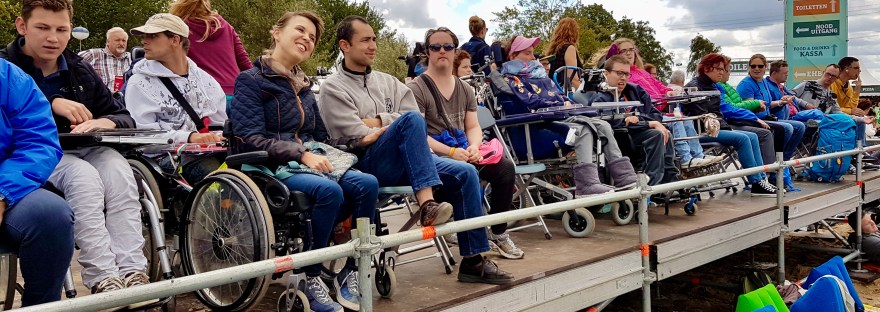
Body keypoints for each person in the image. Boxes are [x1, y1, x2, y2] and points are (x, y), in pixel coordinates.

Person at [318, 16, 513, 285]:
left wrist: (378, 121)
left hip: (411, 159)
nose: (373, 45)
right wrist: (394, 122)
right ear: (345, 45)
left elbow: (413, 120)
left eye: (374, 39)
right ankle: (427, 206)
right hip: (366, 164)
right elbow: (355, 132)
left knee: (466, 172)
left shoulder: (388, 82)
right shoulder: (332, 87)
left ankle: (473, 261)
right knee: (409, 121)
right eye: (365, 40)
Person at [2, 0, 154, 297]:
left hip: (87, 148)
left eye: (61, 30)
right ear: (22, 26)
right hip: (35, 155)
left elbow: (122, 114)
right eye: (42, 28)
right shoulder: (8, 70)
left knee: (121, 174)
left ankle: (133, 270)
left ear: (71, 30)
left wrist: (105, 121)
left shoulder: (79, 68)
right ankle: (102, 275)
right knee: (84, 179)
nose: (53, 38)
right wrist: (52, 103)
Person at [231, 11, 379, 311]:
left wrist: (356, 143)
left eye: (312, 37)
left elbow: (321, 137)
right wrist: (300, 153)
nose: (306, 39)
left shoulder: (305, 87)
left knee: (368, 183)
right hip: (270, 165)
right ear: (277, 33)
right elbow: (249, 138)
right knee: (329, 191)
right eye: (300, 30)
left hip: (309, 159)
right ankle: (310, 276)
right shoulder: (251, 80)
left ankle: (352, 269)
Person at [408, 27, 524, 259]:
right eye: (435, 47)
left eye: (448, 46)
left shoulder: (465, 88)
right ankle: (465, 237)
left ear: (455, 50)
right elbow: (417, 136)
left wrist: (473, 147)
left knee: (505, 168)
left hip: (461, 150)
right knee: (464, 172)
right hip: (434, 157)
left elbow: (472, 126)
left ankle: (499, 232)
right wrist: (451, 152)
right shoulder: (416, 88)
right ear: (427, 52)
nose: (442, 51)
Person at [498, 35, 638, 196]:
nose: (532, 57)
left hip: (557, 119)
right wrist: (559, 104)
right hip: (534, 130)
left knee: (603, 126)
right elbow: (530, 102)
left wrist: (568, 103)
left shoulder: (540, 76)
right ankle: (587, 184)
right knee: (583, 130)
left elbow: (562, 97)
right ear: (512, 56)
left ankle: (623, 176)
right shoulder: (511, 79)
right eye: (527, 53)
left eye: (532, 53)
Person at [0, 58, 74, 307]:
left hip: (7, 183)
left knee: (51, 214)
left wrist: (2, 193)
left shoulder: (9, 77)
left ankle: (40, 306)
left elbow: (38, 141)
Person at [125, 13, 227, 183]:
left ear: (175, 40)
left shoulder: (206, 80)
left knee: (248, 167)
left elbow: (219, 124)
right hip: (164, 158)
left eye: (153, 36)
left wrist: (217, 137)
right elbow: (143, 136)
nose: (144, 41)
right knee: (220, 179)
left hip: (208, 151)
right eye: (144, 36)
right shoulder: (139, 83)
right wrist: (189, 137)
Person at [600, 38, 718, 168]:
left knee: (686, 120)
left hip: (656, 112)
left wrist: (668, 91)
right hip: (649, 113)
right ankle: (685, 158)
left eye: (631, 49)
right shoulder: (627, 78)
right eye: (624, 50)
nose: (629, 53)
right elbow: (642, 99)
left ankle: (698, 155)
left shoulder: (641, 72)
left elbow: (659, 85)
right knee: (676, 121)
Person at [684, 53, 778, 196]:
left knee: (752, 136)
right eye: (719, 69)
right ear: (707, 68)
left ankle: (761, 179)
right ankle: (756, 182)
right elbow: (704, 117)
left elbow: (721, 111)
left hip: (716, 127)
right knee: (743, 138)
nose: (722, 72)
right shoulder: (694, 87)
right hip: (701, 132)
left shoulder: (714, 86)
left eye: (723, 69)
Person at [591, 55, 679, 186]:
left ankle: (670, 181)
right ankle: (652, 186)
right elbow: (612, 124)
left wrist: (640, 119)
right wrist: (648, 123)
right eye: (619, 73)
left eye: (627, 74)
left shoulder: (635, 91)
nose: (623, 78)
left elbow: (655, 114)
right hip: (618, 140)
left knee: (666, 133)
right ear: (606, 73)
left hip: (638, 134)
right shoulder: (599, 98)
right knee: (656, 135)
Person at [170, 0, 252, 97]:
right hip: (236, 93)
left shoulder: (180, 30)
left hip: (206, 95)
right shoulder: (225, 26)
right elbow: (245, 63)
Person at [736, 54, 806, 162]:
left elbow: (767, 104)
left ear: (765, 68)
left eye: (760, 66)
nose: (756, 69)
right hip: (753, 120)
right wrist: (758, 107)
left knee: (800, 126)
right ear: (749, 67)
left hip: (767, 117)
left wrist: (780, 102)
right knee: (787, 128)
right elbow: (747, 108)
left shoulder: (763, 82)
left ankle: (784, 160)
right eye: (753, 66)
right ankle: (774, 161)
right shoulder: (746, 84)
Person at [78, 27, 131, 91]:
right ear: (107, 42)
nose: (121, 43)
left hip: (125, 96)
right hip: (99, 96)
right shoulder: (93, 55)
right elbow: (71, 65)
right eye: (117, 40)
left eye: (124, 40)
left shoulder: (131, 58)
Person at [544, 17, 582, 89]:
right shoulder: (569, 48)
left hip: (553, 89)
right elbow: (572, 78)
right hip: (565, 91)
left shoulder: (553, 50)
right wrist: (581, 92)